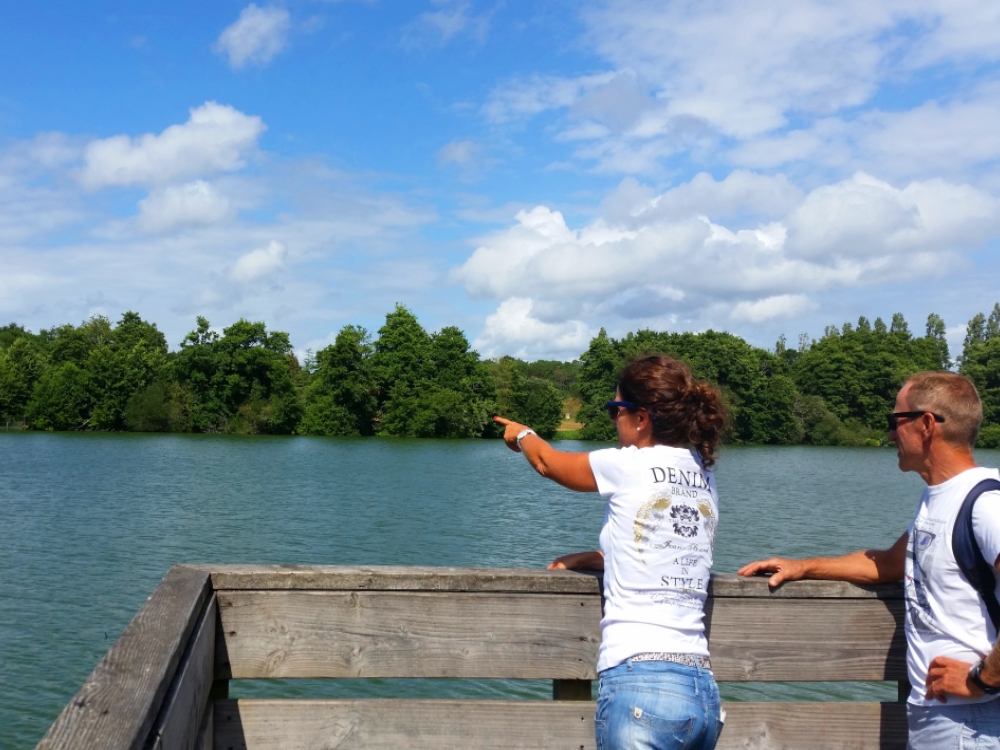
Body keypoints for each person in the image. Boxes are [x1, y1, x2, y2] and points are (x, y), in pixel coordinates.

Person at [738, 371, 1000, 750]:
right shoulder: (940, 497)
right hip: (942, 719)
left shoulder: (986, 504)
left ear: (927, 425)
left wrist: (981, 679)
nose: (891, 434)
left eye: (896, 421)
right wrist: (803, 567)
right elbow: (892, 563)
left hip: (974, 721)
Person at [495, 354, 727, 750]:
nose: (613, 421)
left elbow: (549, 464)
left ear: (641, 418)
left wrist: (521, 434)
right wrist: (595, 557)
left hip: (640, 683)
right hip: (701, 690)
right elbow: (664, 548)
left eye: (614, 410)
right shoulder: (702, 474)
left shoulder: (628, 464)